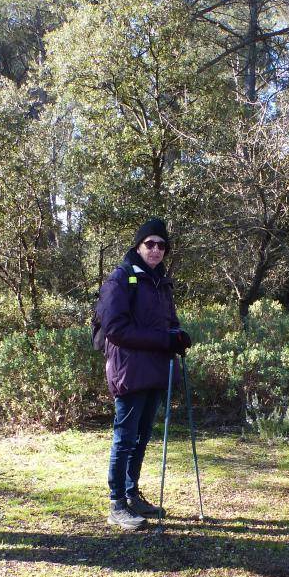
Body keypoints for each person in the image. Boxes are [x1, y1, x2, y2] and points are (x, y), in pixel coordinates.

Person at [98, 218, 191, 531]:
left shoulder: (160, 281)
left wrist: (178, 334)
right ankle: (117, 504)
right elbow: (115, 328)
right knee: (124, 439)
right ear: (138, 245)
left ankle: (132, 494)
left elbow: (167, 321)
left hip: (156, 370)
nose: (156, 250)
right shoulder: (121, 279)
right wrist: (164, 340)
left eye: (161, 245)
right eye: (150, 243)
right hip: (129, 370)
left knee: (142, 437)